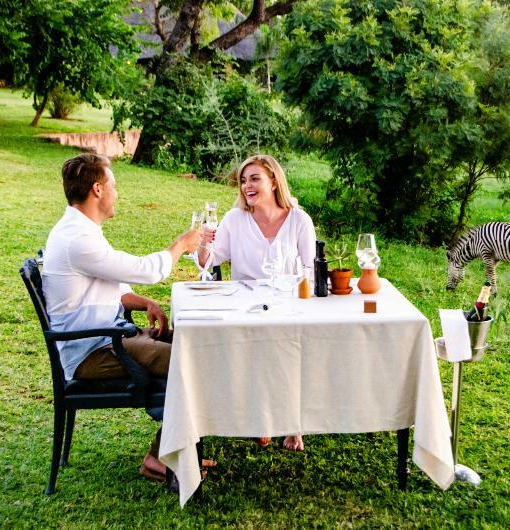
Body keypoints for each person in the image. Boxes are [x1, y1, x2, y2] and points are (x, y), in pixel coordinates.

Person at [42, 153, 205, 483]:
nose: (118, 193)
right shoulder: (77, 238)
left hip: (107, 336)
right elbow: (146, 269)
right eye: (115, 185)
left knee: (194, 343)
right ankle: (162, 457)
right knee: (190, 361)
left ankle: (181, 447)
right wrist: (181, 245)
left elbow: (104, 286)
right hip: (93, 352)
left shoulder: (80, 229)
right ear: (98, 189)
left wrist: (142, 302)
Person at [196, 154, 316, 451]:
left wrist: (295, 294)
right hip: (244, 306)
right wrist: (202, 242)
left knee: (290, 349)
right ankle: (259, 419)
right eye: (243, 180)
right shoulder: (235, 219)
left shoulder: (299, 219)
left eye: (255, 179)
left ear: (274, 182)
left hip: (288, 305)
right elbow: (209, 261)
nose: (247, 185)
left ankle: (293, 424)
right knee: (252, 349)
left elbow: (311, 269)